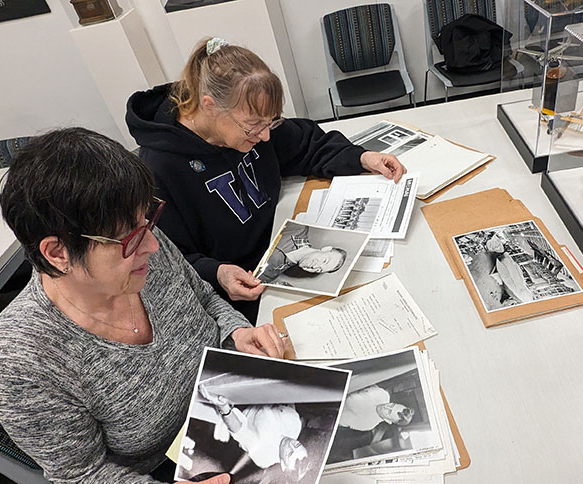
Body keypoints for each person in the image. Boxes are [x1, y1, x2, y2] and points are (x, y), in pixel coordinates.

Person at [0, 128, 286, 484]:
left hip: (236, 397)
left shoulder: (139, 247)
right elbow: (80, 477)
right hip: (171, 477)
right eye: (128, 237)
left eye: (148, 219)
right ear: (57, 253)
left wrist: (234, 332)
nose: (152, 245)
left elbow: (202, 297)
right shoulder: (23, 361)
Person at [125, 37, 406, 322]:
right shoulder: (159, 168)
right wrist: (217, 272)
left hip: (281, 245)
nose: (265, 136)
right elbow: (170, 258)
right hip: (241, 293)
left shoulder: (252, 122)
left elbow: (305, 144)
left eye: (270, 122)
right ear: (209, 106)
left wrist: (361, 158)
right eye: (253, 126)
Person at [195, 386, 311, 481]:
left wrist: (223, 407)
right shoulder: (296, 425)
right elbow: (288, 400)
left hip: (232, 411)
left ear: (283, 464)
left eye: (290, 452)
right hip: (256, 390)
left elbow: (238, 429)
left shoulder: (264, 457)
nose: (291, 443)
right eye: (297, 445)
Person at [256, 224, 346, 283]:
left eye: (319, 269)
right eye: (325, 261)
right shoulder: (298, 228)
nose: (314, 267)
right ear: (326, 249)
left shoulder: (273, 274)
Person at [338, 385, 414, 432]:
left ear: (388, 421)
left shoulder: (368, 424)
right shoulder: (383, 394)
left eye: (389, 412)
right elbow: (362, 382)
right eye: (392, 405)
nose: (385, 406)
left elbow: (339, 419)